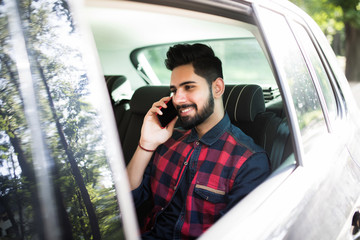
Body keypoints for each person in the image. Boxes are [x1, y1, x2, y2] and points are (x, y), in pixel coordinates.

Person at [127, 43, 270, 239]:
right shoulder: (168, 141)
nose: (177, 99)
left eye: (188, 87)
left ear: (217, 88)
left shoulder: (248, 161)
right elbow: (126, 203)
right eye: (174, 90)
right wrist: (146, 144)